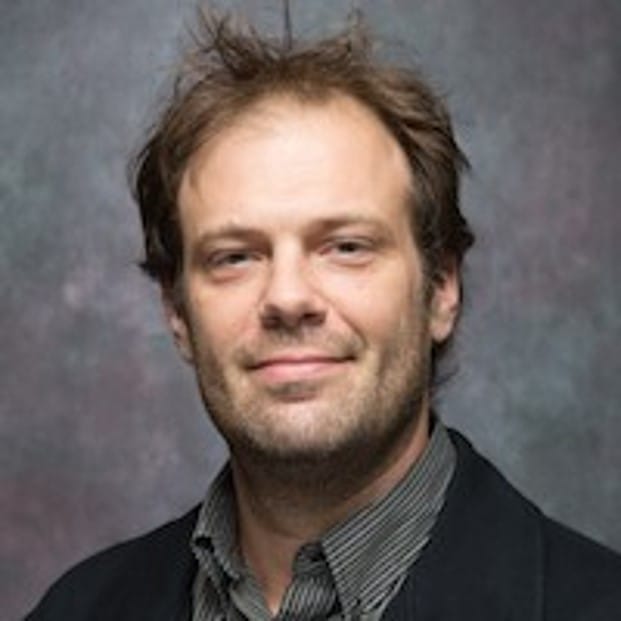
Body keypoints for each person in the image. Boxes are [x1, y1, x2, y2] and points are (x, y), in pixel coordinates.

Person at [27, 5, 621, 620]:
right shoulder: (76, 610)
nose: (288, 298)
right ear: (177, 312)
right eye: (235, 257)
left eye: (346, 247)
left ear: (442, 288)